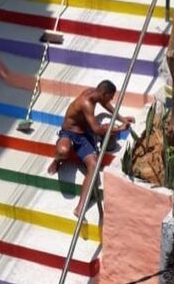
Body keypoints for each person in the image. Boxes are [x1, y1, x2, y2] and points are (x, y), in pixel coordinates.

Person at [48, 80, 135, 217]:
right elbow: (96, 129)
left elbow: (106, 105)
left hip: (83, 136)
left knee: (93, 165)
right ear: (103, 93)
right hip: (69, 133)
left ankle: (80, 208)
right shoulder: (86, 102)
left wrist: (122, 119)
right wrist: (119, 129)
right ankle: (57, 160)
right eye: (110, 97)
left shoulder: (95, 94)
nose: (111, 100)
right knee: (63, 151)